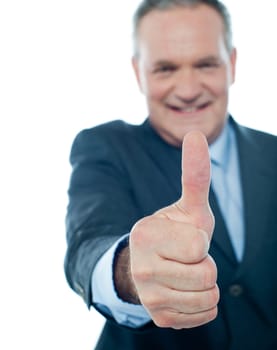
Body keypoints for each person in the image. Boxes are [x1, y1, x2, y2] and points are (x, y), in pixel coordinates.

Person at [64, 0, 277, 349]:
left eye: (206, 64)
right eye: (165, 69)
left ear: (233, 64)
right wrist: (129, 270)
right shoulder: (105, 148)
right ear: (138, 73)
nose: (189, 89)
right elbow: (88, 243)